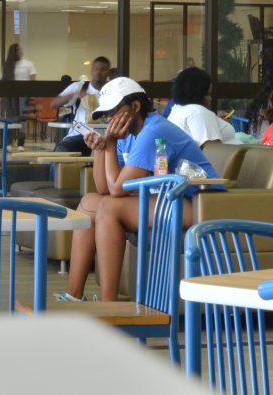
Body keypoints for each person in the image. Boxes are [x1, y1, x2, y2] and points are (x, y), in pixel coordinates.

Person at [61, 77, 219, 302]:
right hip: (165, 197)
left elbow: (116, 190)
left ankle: (109, 304)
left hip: (198, 202)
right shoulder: (128, 134)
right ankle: (73, 296)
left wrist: (111, 142)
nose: (109, 119)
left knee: (109, 208)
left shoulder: (153, 129)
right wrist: (101, 149)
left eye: (114, 112)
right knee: (89, 203)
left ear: (135, 107)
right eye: (106, 115)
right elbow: (103, 187)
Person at [50, 56, 110, 154]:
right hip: (80, 134)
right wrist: (75, 95)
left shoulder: (112, 91)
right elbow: (54, 104)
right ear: (91, 71)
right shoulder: (79, 87)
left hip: (104, 137)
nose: (98, 72)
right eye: (96, 69)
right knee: (62, 150)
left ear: (107, 73)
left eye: (102, 70)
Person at [167, 67, 235, 149]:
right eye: (207, 94)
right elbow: (215, 152)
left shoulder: (178, 108)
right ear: (196, 93)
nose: (211, 99)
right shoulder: (198, 112)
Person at [1, 43, 35, 149]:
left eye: (20, 49)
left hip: (23, 95)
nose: (19, 51)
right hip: (10, 96)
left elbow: (33, 79)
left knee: (22, 119)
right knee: (10, 119)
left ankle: (21, 143)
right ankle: (9, 143)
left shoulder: (28, 64)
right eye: (17, 50)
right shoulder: (7, 65)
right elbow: (2, 82)